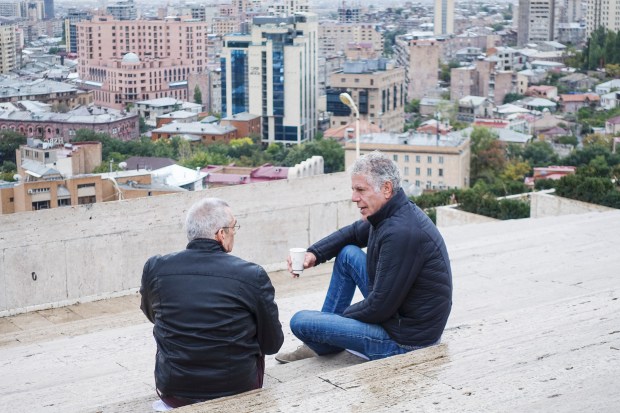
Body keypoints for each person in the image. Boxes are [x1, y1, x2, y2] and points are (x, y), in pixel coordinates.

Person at [275, 151, 452, 363]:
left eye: (360, 190)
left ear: (386, 188)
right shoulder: (389, 213)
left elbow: (379, 307)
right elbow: (352, 233)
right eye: (353, 190)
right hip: (398, 312)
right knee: (348, 254)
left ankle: (325, 340)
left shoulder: (401, 232)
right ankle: (325, 342)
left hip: (405, 341)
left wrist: (334, 323)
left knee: (301, 321)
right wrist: (314, 253)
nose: (354, 198)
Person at [141, 197, 284, 409]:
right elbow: (272, 344)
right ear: (221, 234)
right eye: (234, 226)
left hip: (175, 392)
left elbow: (152, 314)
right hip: (238, 389)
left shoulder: (155, 268)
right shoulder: (252, 275)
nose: (235, 232)